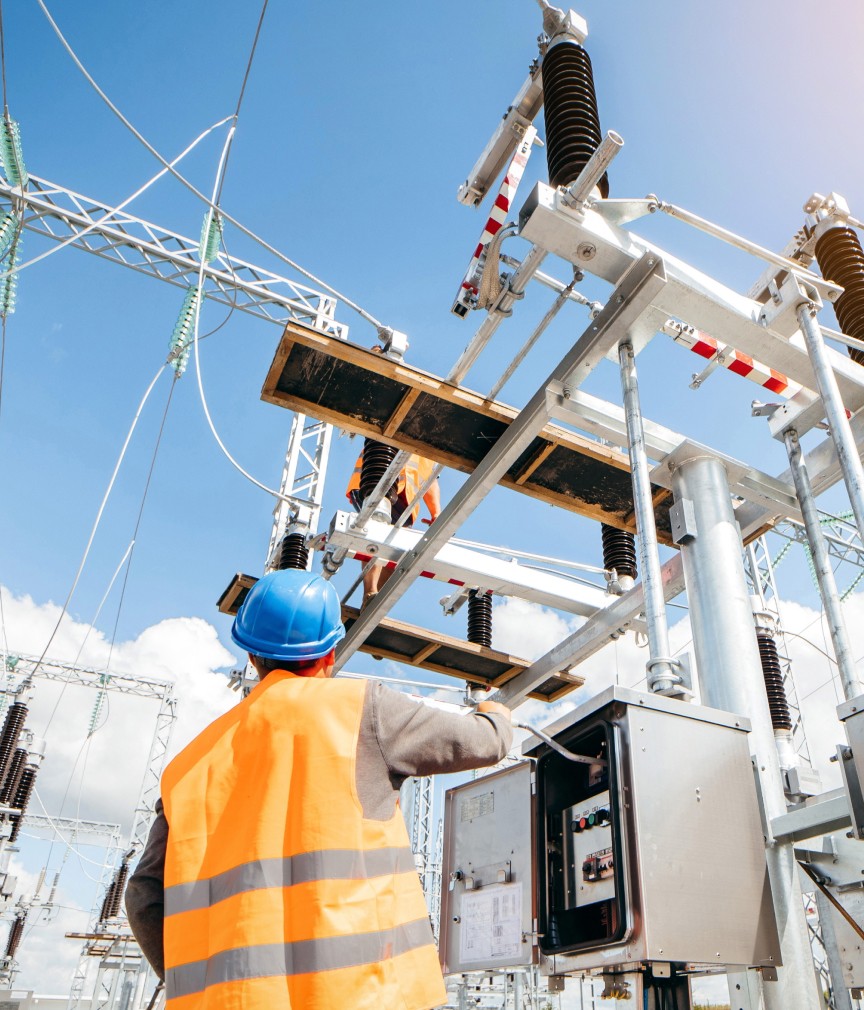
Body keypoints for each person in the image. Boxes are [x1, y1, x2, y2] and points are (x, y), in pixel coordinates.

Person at [125, 568, 511, 1009]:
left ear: (252, 656)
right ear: (330, 653)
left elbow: (143, 898)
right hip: (360, 997)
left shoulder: (187, 766)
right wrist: (494, 711)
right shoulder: (362, 711)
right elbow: (487, 742)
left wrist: (201, 984)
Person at [346, 447, 441, 608]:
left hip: (405, 497)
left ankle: (376, 601)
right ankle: (369, 593)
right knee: (378, 531)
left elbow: (430, 478)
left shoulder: (433, 445)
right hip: (374, 479)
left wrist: (436, 512)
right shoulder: (410, 424)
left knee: (394, 549)